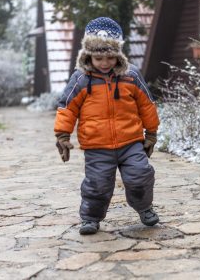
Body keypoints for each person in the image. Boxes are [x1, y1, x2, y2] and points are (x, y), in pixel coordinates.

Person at [54, 17, 160, 235]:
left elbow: (147, 104)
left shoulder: (130, 76)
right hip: (97, 146)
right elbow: (67, 107)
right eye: (98, 57)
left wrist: (151, 133)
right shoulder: (81, 79)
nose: (104, 63)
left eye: (110, 57)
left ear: (118, 55)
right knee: (97, 184)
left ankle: (144, 207)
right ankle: (91, 218)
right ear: (88, 55)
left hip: (131, 142)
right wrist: (63, 135)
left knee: (140, 175)